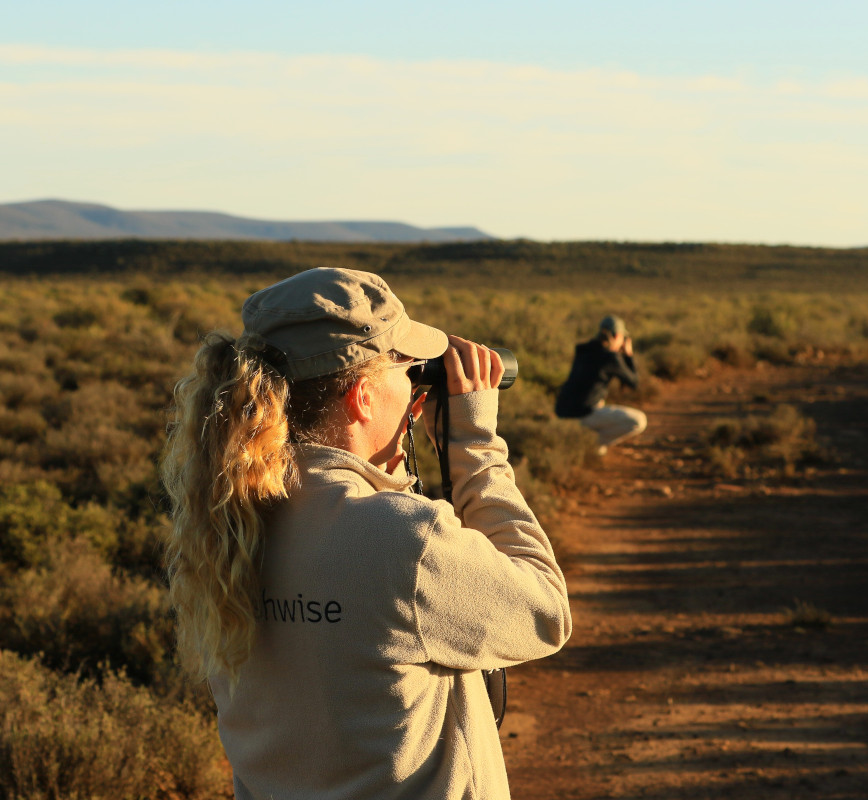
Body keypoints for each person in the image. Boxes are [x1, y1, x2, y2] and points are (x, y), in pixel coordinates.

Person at [160, 268, 572, 800]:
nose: (416, 388)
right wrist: (476, 450)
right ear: (362, 397)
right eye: (406, 371)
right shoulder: (404, 540)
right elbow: (545, 612)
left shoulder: (224, 523)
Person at [554, 315, 647, 455]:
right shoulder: (609, 357)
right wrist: (628, 355)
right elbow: (633, 382)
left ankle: (583, 440)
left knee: (600, 402)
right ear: (617, 336)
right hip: (584, 415)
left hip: (562, 413)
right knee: (639, 421)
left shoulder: (583, 350)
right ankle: (590, 444)